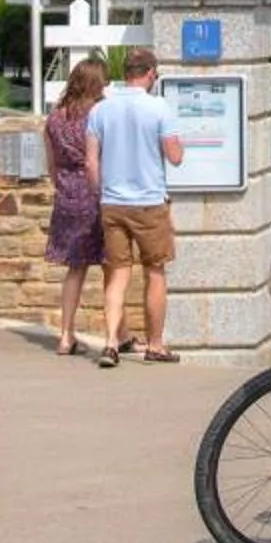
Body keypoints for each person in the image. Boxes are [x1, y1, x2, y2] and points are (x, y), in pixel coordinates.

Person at [85, 44, 185, 367]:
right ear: (150, 74)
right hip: (149, 203)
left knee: (117, 275)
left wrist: (102, 193)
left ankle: (112, 343)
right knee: (155, 271)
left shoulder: (100, 110)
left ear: (126, 74)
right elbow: (175, 157)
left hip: (112, 203)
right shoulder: (159, 109)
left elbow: (90, 163)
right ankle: (155, 344)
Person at [43, 55, 107, 356]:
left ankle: (66, 335)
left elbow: (52, 165)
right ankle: (116, 336)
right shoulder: (98, 114)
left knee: (75, 269)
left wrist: (63, 186)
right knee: (112, 264)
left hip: (67, 195)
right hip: (96, 192)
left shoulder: (55, 117)